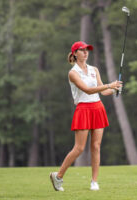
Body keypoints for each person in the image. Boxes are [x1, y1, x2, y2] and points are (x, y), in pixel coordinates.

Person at [49, 41, 122, 191]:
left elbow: (102, 91)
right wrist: (110, 85)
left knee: (96, 146)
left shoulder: (94, 69)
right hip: (83, 109)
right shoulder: (73, 73)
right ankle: (58, 176)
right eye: (82, 50)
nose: (85, 52)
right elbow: (88, 90)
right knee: (79, 148)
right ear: (75, 53)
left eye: (87, 50)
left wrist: (115, 89)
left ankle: (94, 181)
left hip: (97, 108)